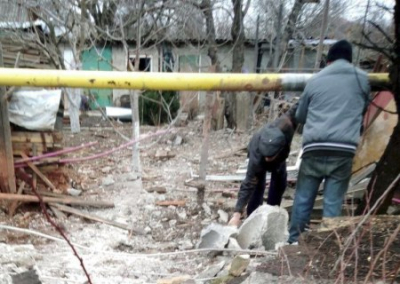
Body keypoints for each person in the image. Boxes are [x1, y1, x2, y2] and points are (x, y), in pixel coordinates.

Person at [288, 39, 370, 243]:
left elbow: (301, 115)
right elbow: (363, 110)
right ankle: (327, 246)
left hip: (314, 148)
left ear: (328, 61)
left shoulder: (315, 80)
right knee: (332, 203)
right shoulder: (362, 80)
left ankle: (294, 242)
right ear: (350, 60)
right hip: (344, 150)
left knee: (303, 199)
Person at [228, 103, 298, 227]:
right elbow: (248, 183)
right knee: (257, 186)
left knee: (279, 183)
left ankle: (272, 215)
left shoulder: (287, 124)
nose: (267, 159)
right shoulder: (257, 155)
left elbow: (297, 108)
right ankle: (252, 217)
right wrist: (237, 214)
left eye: (270, 157)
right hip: (257, 151)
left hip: (279, 159)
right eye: (266, 157)